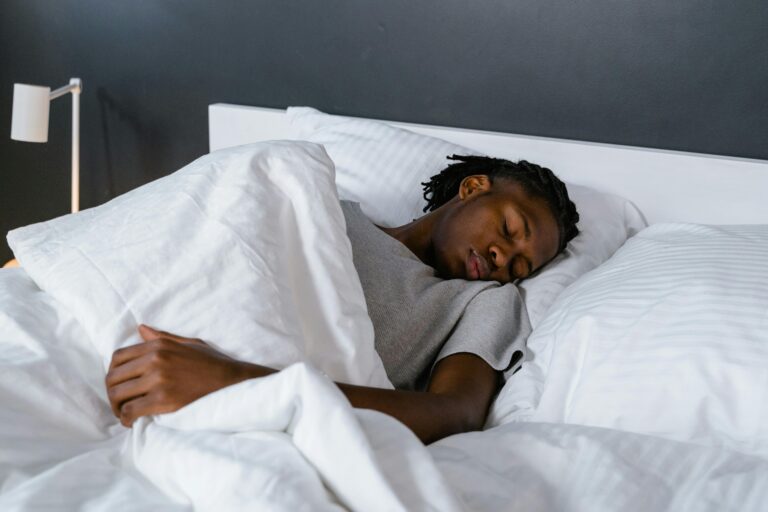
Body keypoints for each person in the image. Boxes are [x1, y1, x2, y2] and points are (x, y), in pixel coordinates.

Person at [105, 155, 579, 444]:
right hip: (143, 337)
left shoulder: (482, 302)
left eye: (520, 267)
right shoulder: (327, 206)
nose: (503, 259)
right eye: (509, 229)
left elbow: (456, 414)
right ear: (472, 189)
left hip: (235, 391)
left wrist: (234, 381)